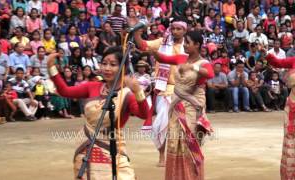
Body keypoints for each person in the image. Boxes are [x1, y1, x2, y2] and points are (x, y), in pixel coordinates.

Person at [47, 46, 149, 179]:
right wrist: (51, 68)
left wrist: (138, 92)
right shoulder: (92, 86)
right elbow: (65, 91)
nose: (107, 68)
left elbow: (144, 114)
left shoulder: (127, 94)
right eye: (104, 63)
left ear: (122, 68)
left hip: (112, 147)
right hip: (86, 146)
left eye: (113, 65)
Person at [153, 31, 214, 180]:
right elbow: (162, 57)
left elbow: (210, 74)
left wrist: (193, 68)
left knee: (189, 141)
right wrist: (150, 47)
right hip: (177, 104)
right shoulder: (181, 58)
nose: (184, 45)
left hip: (193, 105)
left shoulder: (203, 63)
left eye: (187, 42)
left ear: (197, 45)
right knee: (174, 142)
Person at [134, 18, 187, 166]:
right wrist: (137, 33)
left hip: (183, 90)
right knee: (160, 125)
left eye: (179, 29)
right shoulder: (162, 42)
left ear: (184, 31)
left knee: (183, 126)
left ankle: (181, 156)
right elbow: (143, 46)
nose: (175, 31)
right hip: (164, 89)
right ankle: (162, 155)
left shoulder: (188, 46)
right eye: (174, 28)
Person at [266, 53, 295, 180]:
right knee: (290, 138)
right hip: (293, 104)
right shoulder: (294, 60)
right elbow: (278, 62)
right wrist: (266, 54)